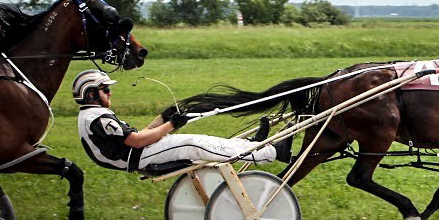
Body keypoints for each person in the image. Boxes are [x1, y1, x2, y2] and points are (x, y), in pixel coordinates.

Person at [73, 69, 291, 174]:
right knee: (195, 144)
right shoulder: (97, 118)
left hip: (139, 154)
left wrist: (164, 118)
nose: (110, 93)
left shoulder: (91, 116)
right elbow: (137, 141)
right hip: (140, 156)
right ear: (91, 93)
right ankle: (272, 153)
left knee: (201, 142)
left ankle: (252, 146)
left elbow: (143, 133)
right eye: (106, 89)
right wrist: (173, 125)